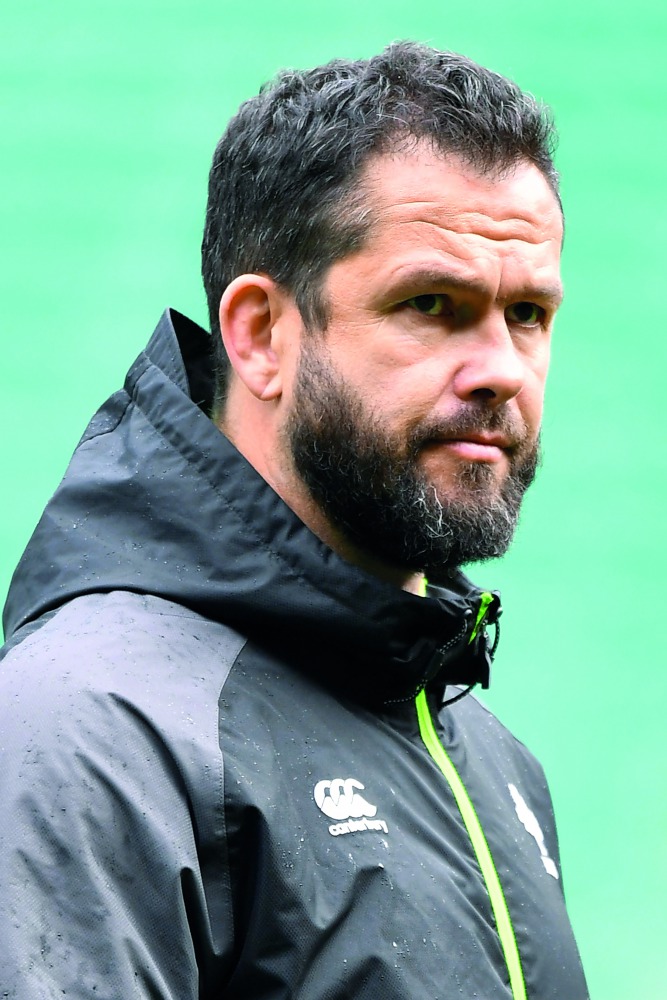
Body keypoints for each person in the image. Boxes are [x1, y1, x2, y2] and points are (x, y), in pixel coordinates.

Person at [0, 41, 589, 999]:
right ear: (262, 335)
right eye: (431, 304)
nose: (501, 369)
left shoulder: (490, 756)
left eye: (526, 314)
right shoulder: (91, 730)